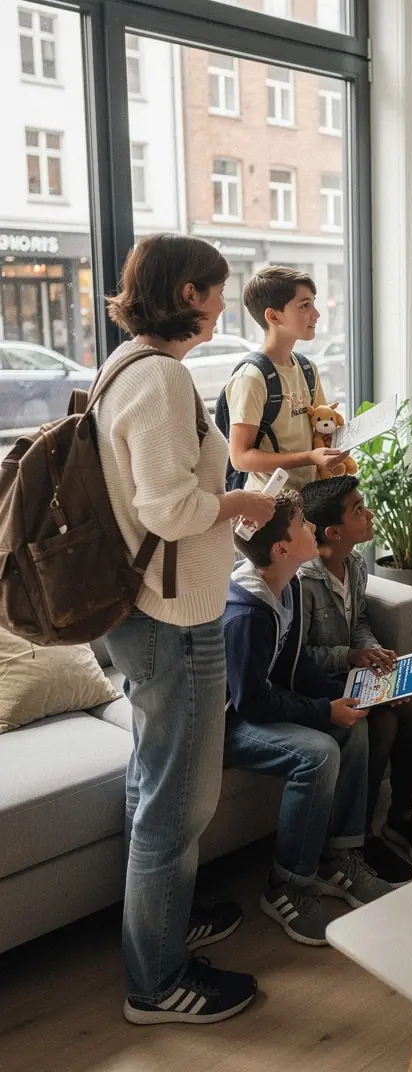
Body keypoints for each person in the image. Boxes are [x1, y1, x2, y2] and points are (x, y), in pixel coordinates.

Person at [98, 233, 277, 1025]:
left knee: (154, 783)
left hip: (142, 612)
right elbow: (166, 509)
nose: (218, 306)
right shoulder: (163, 378)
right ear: (186, 295)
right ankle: (156, 984)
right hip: (173, 616)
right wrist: (241, 502)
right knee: (178, 803)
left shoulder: (121, 367)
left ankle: (159, 926)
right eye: (213, 290)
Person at [223, 489, 390, 945]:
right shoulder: (246, 613)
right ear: (281, 548)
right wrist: (322, 712)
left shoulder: (290, 584)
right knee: (317, 753)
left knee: (352, 728)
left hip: (266, 702)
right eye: (302, 525)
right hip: (232, 723)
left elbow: (297, 669)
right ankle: (287, 885)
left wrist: (344, 697)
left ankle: (340, 858)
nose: (312, 528)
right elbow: (251, 702)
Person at [300, 476, 412, 884]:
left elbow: (358, 621)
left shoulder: (356, 564)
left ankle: (401, 817)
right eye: (358, 510)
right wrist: (350, 656)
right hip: (319, 683)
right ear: (332, 532)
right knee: (380, 718)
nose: (369, 514)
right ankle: (360, 836)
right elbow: (296, 657)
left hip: (353, 672)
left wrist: (375, 654)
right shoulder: (302, 582)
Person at [223, 266, 346, 491]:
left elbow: (321, 426)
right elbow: (240, 458)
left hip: (309, 501)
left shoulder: (308, 369)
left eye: (313, 303)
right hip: (271, 509)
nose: (316, 314)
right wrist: (309, 457)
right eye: (304, 306)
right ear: (273, 316)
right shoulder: (252, 378)